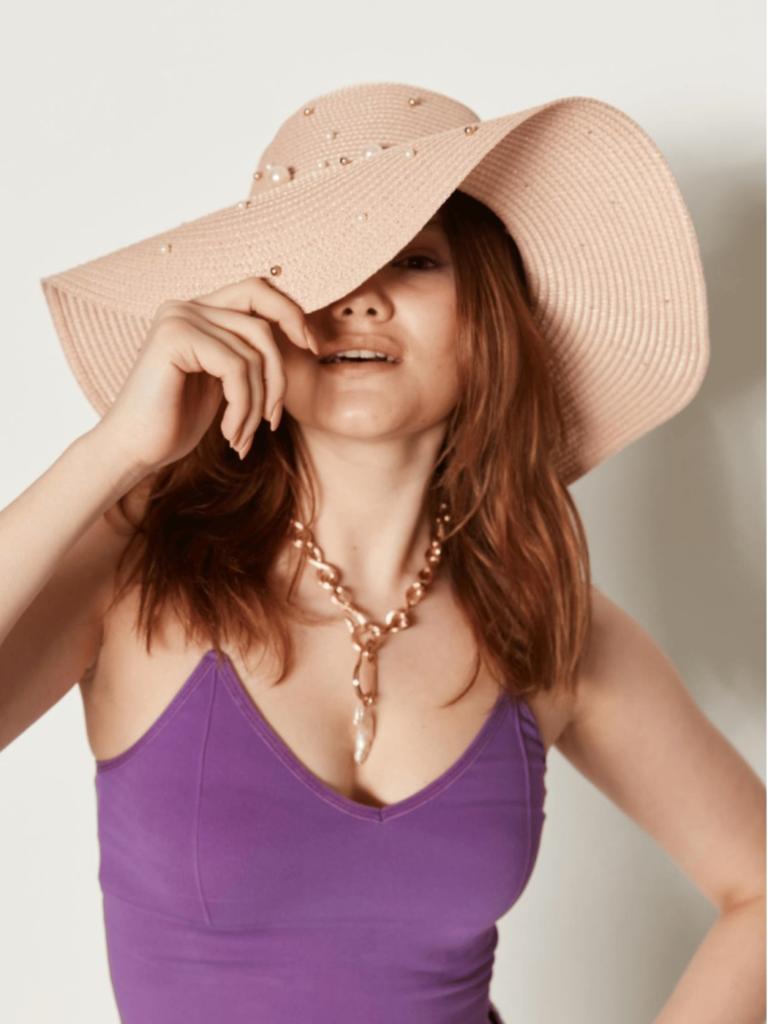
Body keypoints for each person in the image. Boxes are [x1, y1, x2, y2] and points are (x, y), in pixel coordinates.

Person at [0, 83, 764, 1024]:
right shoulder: (138, 571)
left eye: (415, 259)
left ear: (486, 314)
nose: (360, 296)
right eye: (322, 264)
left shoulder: (543, 623)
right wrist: (113, 452)